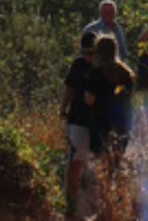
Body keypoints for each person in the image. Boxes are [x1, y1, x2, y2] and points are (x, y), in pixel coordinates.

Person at [59, 31, 101, 218]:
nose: (88, 57)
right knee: (74, 162)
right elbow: (69, 87)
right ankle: (70, 202)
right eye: (85, 53)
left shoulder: (104, 68)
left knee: (95, 165)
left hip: (97, 122)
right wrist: (62, 107)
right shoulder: (78, 65)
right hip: (77, 118)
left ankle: (95, 206)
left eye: (92, 53)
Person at [91, 35, 135, 154]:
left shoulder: (96, 74)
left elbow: (91, 99)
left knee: (102, 156)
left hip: (100, 122)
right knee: (118, 155)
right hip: (122, 120)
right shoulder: (126, 74)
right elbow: (129, 96)